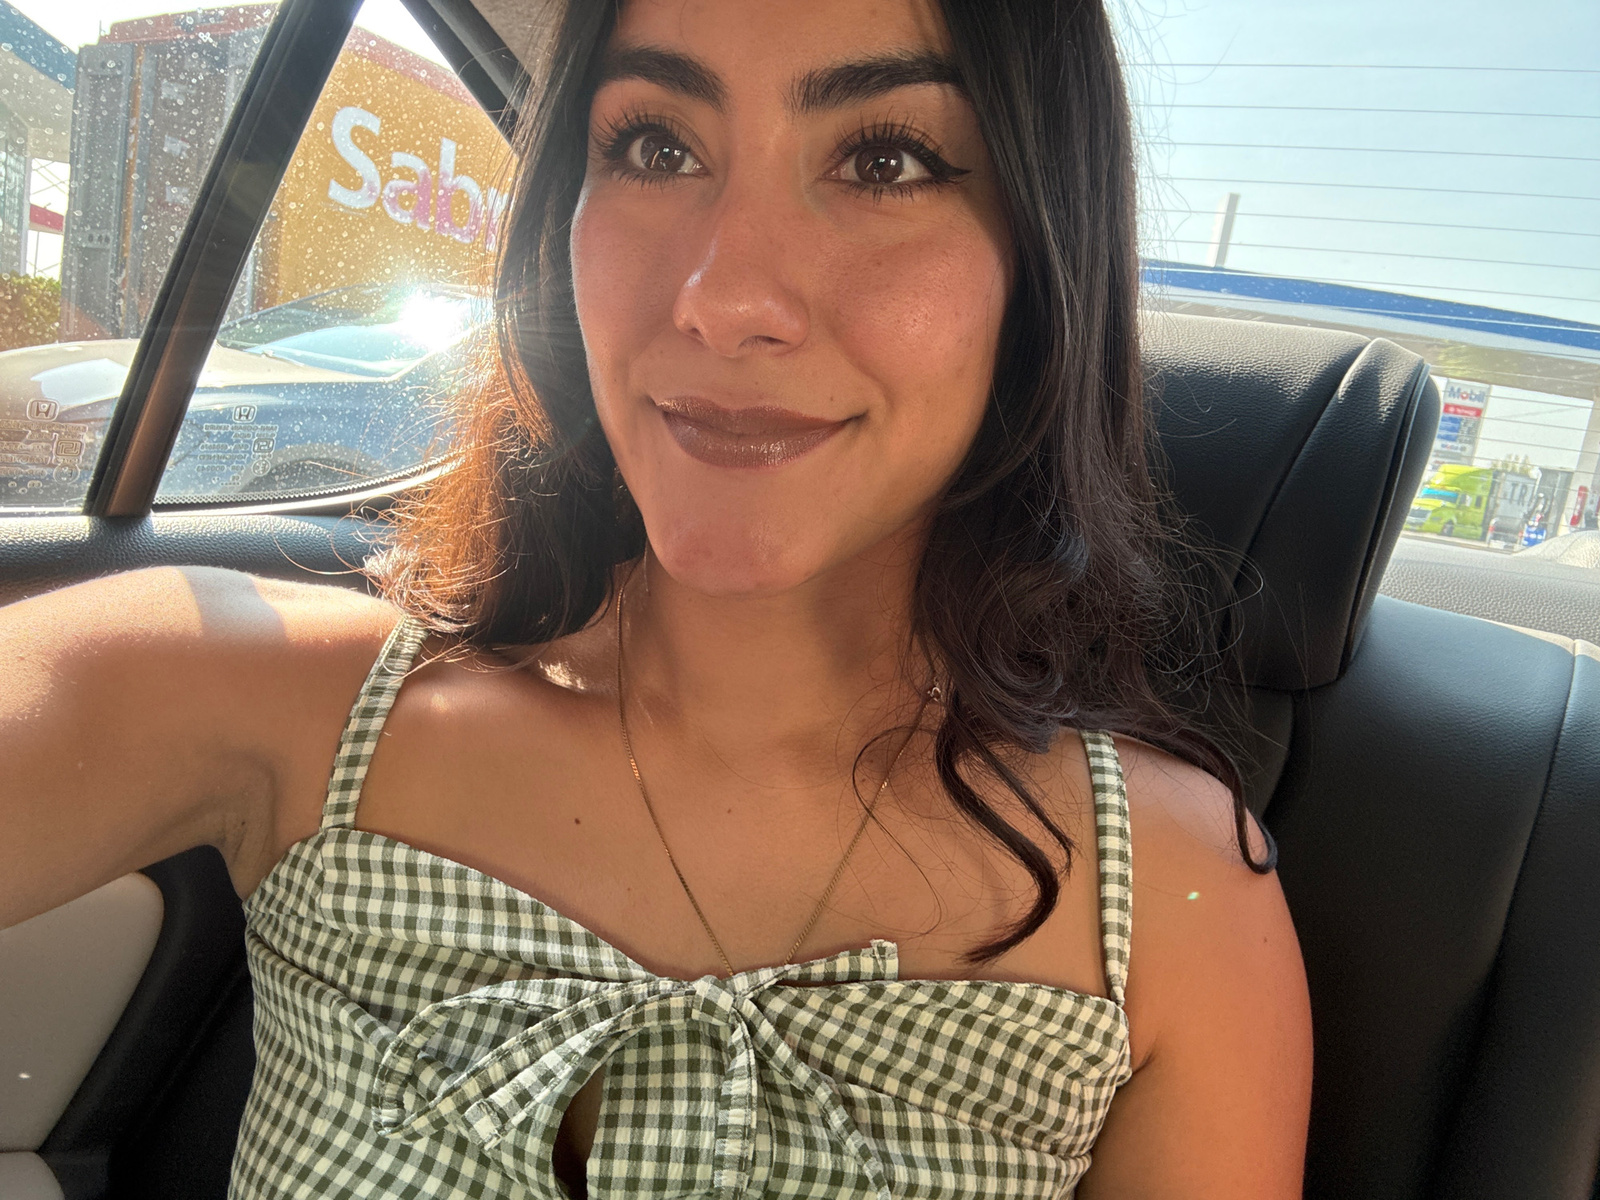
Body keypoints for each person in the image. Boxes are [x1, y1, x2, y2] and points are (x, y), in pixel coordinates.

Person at [1, 0, 1312, 1195]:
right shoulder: (264, 696)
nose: (723, 298)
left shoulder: (1179, 912)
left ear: (1042, 258)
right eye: (655, 146)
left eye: (885, 161)